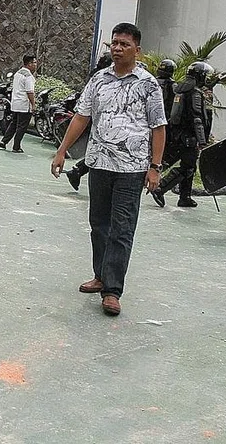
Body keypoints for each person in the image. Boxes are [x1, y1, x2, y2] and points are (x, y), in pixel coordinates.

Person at [52, 23, 166, 317]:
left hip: (131, 168)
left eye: (124, 44)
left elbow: (158, 127)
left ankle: (113, 291)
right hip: (99, 164)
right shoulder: (99, 80)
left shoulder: (148, 84)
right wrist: (62, 151)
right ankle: (100, 275)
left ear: (137, 50)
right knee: (99, 224)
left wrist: (154, 167)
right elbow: (81, 116)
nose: (117, 48)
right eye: (114, 43)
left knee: (122, 228)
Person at [151, 61, 213, 208]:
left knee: (188, 165)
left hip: (178, 134)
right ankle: (161, 188)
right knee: (188, 167)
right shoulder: (195, 93)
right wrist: (202, 140)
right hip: (189, 137)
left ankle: (185, 197)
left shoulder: (181, 89)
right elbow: (197, 118)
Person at [63, 52, 115, 191]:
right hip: (96, 119)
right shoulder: (100, 77)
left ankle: (78, 171)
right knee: (101, 150)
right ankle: (78, 171)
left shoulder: (99, 75)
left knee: (101, 150)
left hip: (97, 119)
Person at [0, 54, 37, 153]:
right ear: (29, 64)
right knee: (22, 126)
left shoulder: (18, 73)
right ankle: (16, 146)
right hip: (24, 104)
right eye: (34, 63)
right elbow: (30, 92)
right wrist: (33, 104)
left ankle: (4, 141)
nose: (35, 65)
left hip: (16, 103)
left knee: (14, 123)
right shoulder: (28, 76)